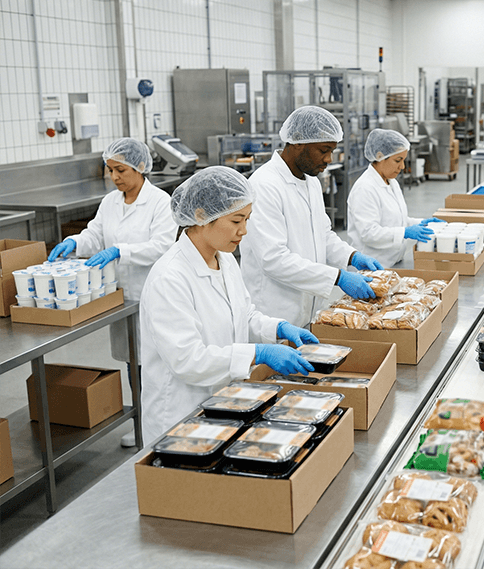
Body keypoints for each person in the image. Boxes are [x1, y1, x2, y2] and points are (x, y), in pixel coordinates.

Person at [138, 166, 317, 445]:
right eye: (236, 221)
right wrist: (257, 353)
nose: (244, 230)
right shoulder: (169, 278)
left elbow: (243, 314)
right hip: (180, 415)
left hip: (223, 404)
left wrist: (277, 328)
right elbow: (187, 360)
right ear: (201, 216)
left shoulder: (225, 259)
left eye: (247, 219)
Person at [48, 137, 177, 447]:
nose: (115, 177)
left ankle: (164, 421)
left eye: (121, 170)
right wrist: (76, 243)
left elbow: (162, 246)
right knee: (133, 359)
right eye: (110, 170)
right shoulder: (110, 202)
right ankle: (141, 423)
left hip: (152, 292)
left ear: (140, 168)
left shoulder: (160, 202)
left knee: (158, 361)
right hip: (121, 295)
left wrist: (120, 250)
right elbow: (95, 233)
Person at [240, 106, 383, 327]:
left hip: (311, 308)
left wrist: (352, 256)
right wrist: (337, 277)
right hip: (275, 314)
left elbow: (323, 234)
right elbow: (273, 259)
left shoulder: (311, 182)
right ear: (297, 142)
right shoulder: (265, 185)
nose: (328, 159)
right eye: (323, 150)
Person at [347, 129, 445, 268]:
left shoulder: (391, 181)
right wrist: (405, 232)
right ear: (380, 156)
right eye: (398, 160)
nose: (402, 166)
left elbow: (396, 220)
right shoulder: (365, 188)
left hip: (393, 263)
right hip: (372, 268)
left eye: (403, 160)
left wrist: (420, 223)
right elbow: (369, 233)